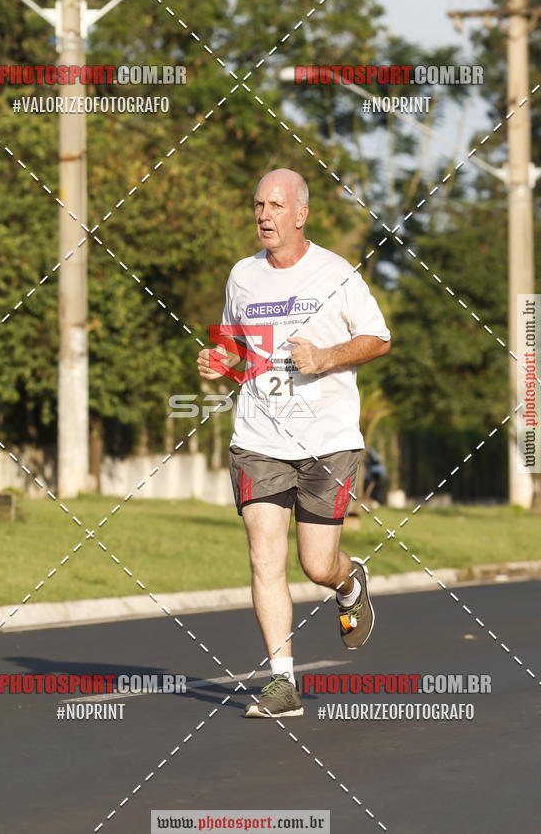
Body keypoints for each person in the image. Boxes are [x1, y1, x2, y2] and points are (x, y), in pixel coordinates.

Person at [197, 168, 391, 718]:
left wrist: (326, 358)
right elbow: (239, 349)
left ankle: (350, 582)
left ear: (301, 214)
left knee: (315, 564)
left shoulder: (335, 273)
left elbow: (379, 338)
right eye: (258, 204)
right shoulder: (243, 276)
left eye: (276, 206)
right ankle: (281, 683)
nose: (264, 215)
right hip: (258, 438)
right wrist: (223, 362)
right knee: (263, 555)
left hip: (327, 440)